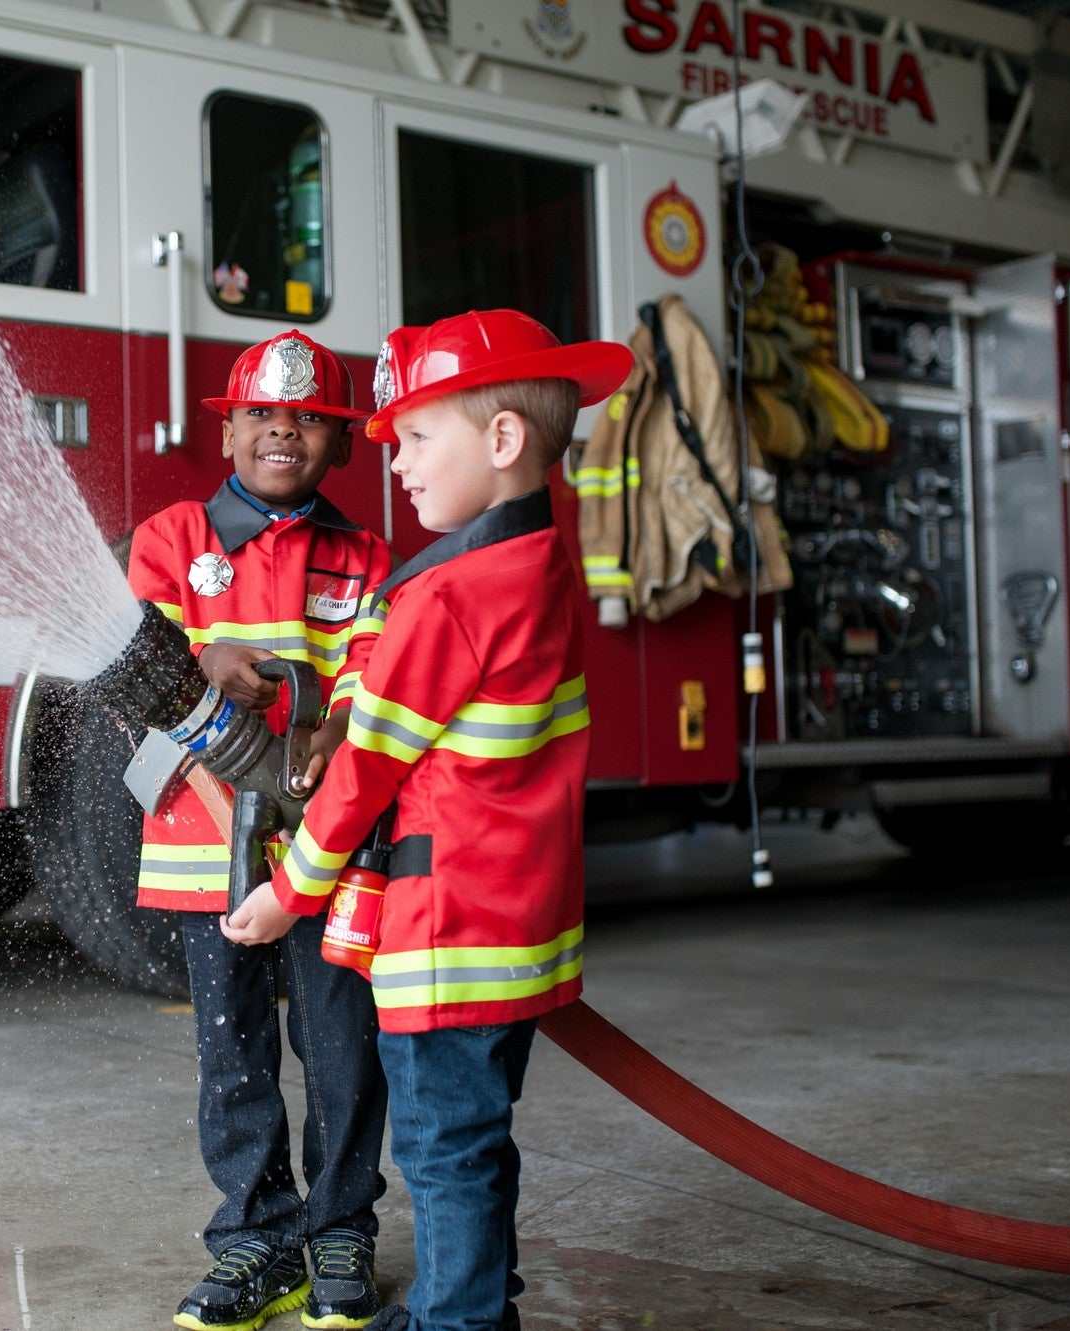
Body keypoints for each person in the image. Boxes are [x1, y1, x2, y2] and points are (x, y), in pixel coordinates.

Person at [222, 310, 633, 1331]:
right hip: (520, 924)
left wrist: (287, 893)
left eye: (413, 438)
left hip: (446, 935)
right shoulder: (537, 569)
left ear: (500, 442)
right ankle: (474, 1294)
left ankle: (457, 1317)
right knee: (478, 1134)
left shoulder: (448, 594)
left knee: (444, 1144)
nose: (394, 463)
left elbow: (362, 777)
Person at [126, 328, 395, 1331]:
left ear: (340, 443)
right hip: (205, 854)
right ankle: (254, 1239)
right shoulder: (171, 541)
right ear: (227, 428)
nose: (282, 430)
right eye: (262, 415)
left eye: (309, 420)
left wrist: (333, 722)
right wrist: (205, 658)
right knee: (230, 1052)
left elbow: (376, 676)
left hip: (327, 856)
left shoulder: (365, 559)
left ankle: (337, 1230)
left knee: (340, 1046)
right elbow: (128, 671)